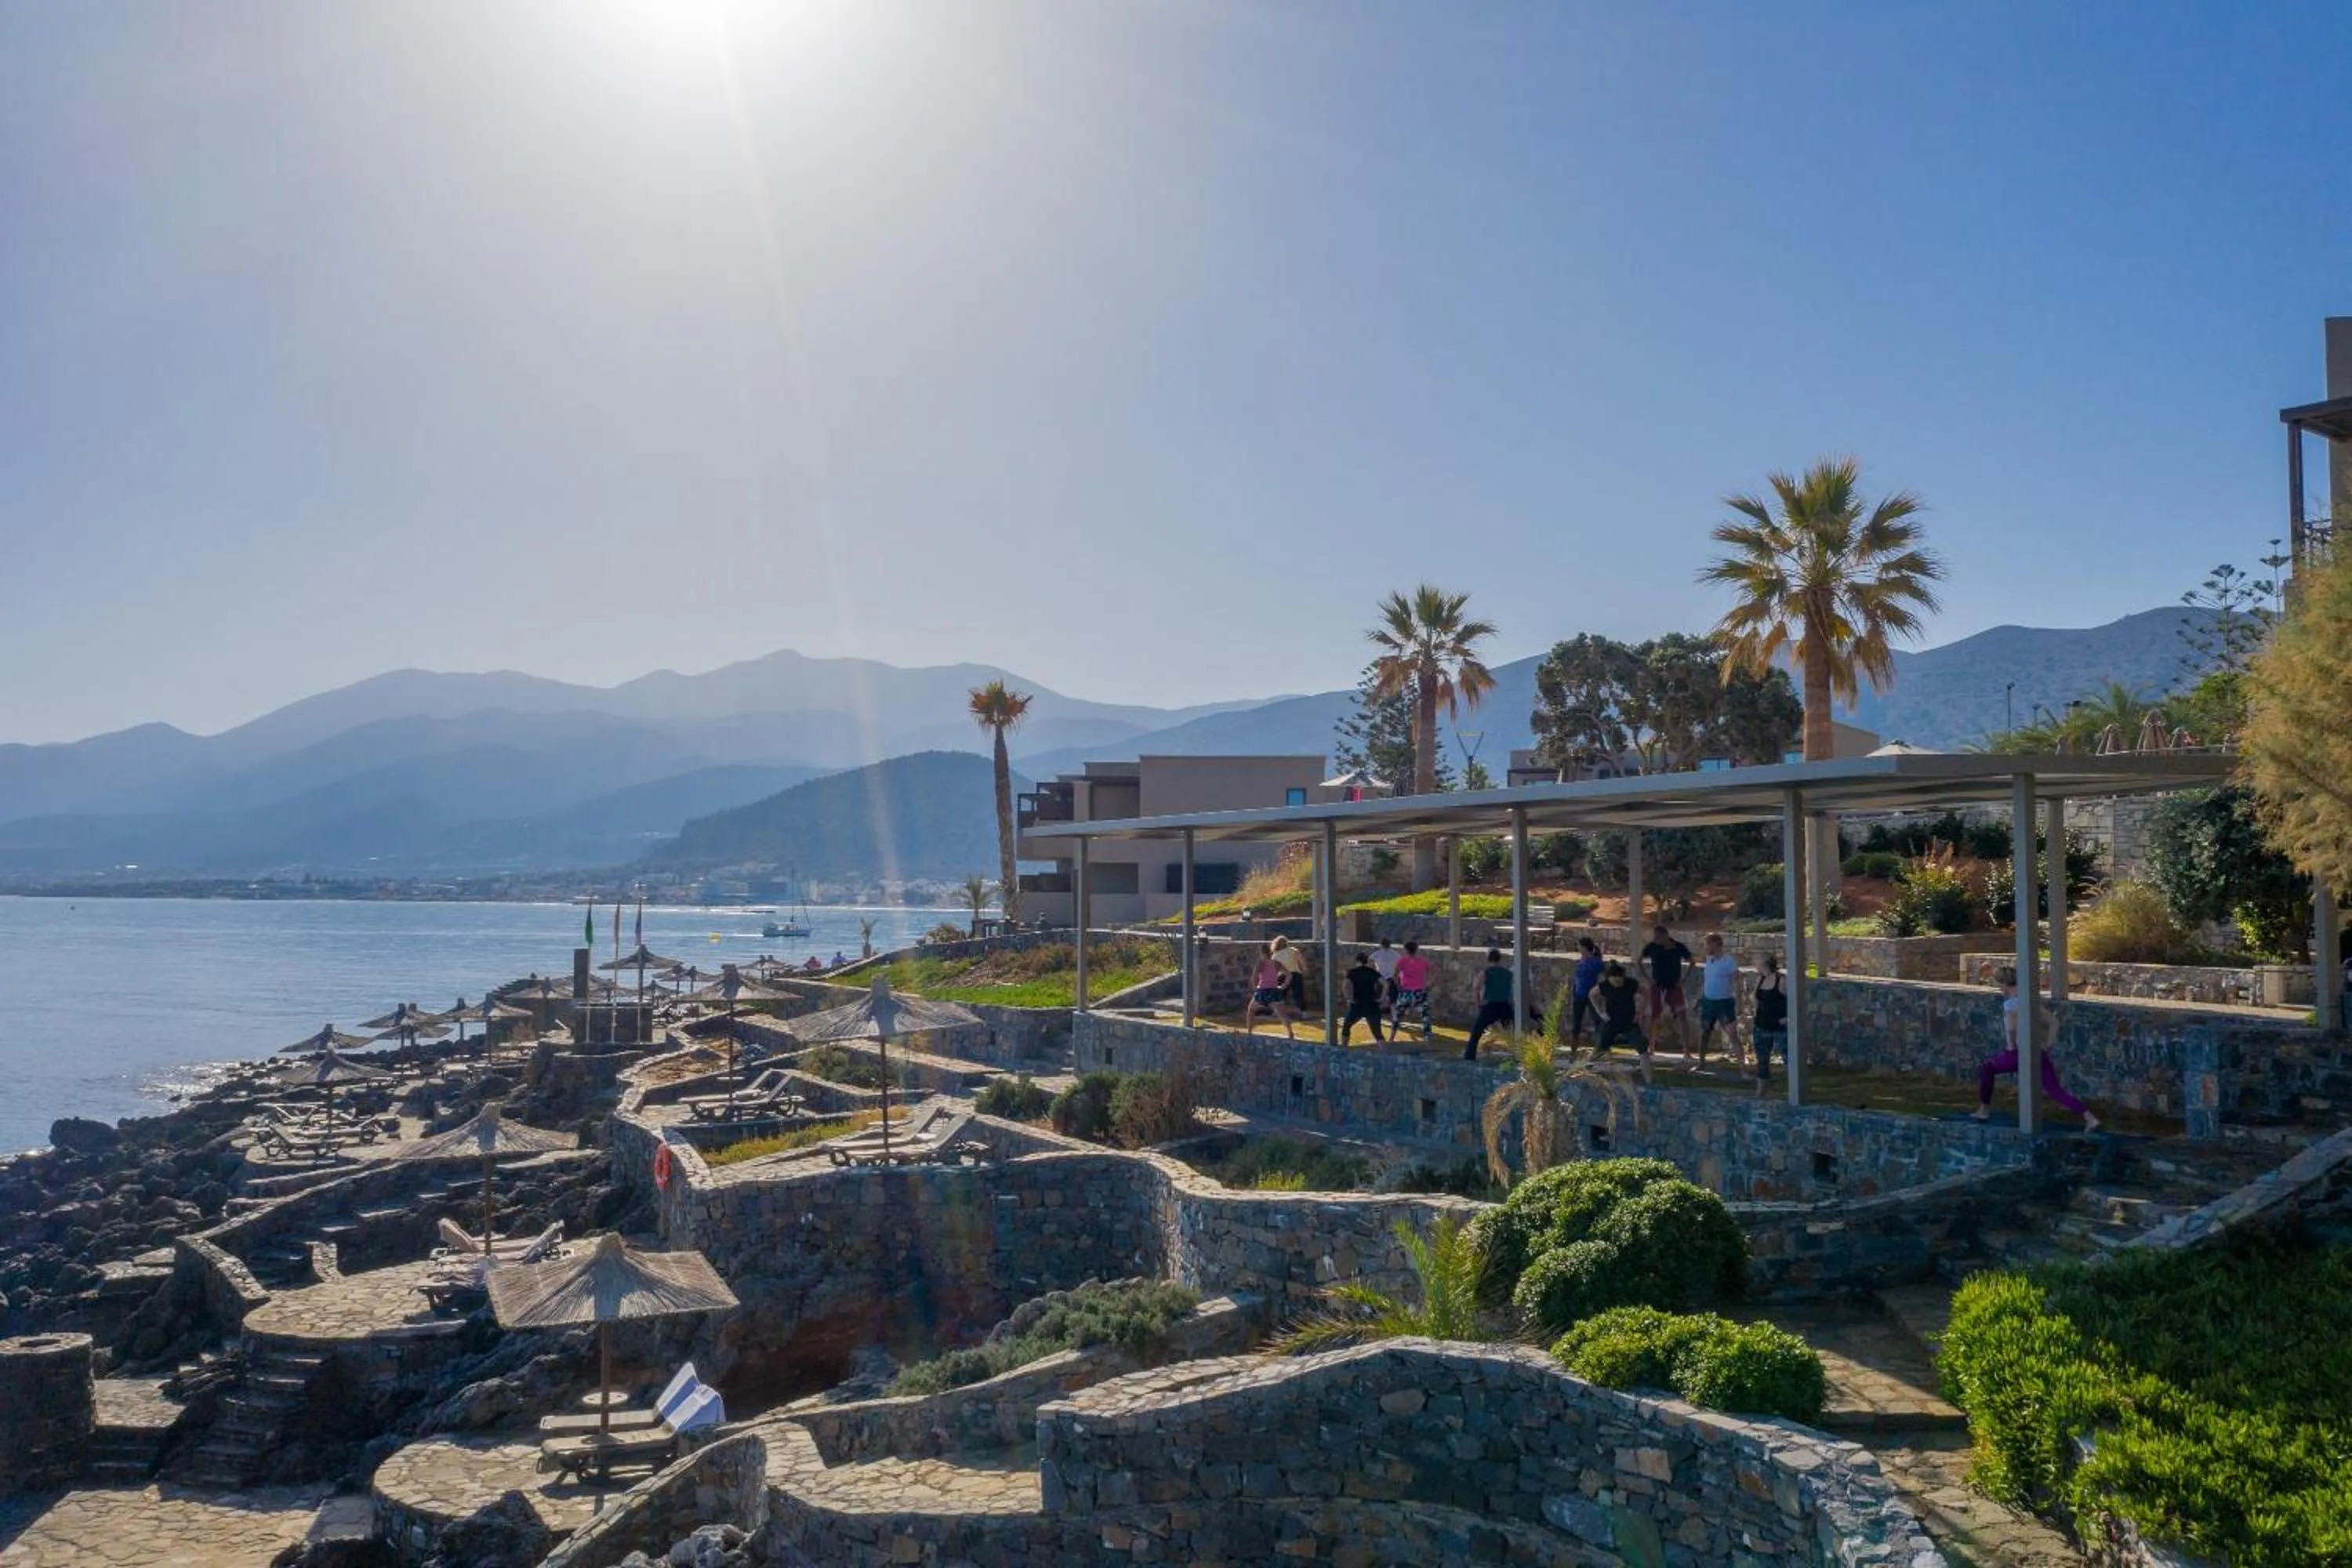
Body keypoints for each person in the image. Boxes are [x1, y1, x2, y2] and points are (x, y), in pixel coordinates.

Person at [1973, 967, 2100, 1131]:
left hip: (2019, 1053)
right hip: (2038, 1051)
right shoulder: (2030, 1002)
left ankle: (1984, 1110)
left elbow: (2011, 1027)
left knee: (1988, 1068)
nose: (1998, 989)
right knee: (2055, 1091)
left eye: (1999, 985)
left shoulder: (2010, 1005)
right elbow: (2054, 1022)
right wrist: (2048, 1043)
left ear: (2004, 984)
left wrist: (2011, 1046)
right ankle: (2090, 1118)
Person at [1639, 924, 1693, 1055]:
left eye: (1658, 936)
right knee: (1655, 1016)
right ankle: (1651, 1047)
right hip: (1657, 986)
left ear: (1665, 935)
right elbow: (1639, 961)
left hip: (1674, 986)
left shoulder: (1678, 947)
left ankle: (1686, 1050)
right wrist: (1648, 978)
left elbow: (1692, 961)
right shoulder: (1652, 947)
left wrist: (1684, 979)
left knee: (1682, 1016)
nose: (1656, 939)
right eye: (1655, 937)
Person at [1594, 960, 1650, 1082]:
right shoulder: (1604, 986)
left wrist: (1641, 1012)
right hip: (1611, 1022)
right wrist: (1600, 1012)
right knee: (1600, 1050)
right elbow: (1591, 995)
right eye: (1615, 981)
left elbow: (1646, 993)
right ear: (1609, 979)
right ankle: (1604, 1078)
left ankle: (1649, 1080)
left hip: (1629, 1023)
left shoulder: (1631, 984)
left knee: (1644, 1052)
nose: (1618, 984)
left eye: (1620, 981)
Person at [1694, 935, 1739, 1065]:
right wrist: (1699, 998)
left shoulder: (1728, 960)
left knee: (1732, 1035)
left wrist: (1739, 1002)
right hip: (1709, 1002)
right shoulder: (1709, 960)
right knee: (1704, 1033)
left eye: (1707, 945)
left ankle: (1743, 1068)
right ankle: (1701, 1062)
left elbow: (1737, 981)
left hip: (1724, 1003)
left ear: (1715, 945)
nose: (1705, 948)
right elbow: (1707, 981)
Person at [1243, 940, 1297, 1040]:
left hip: (1262, 990)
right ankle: (1290, 1033)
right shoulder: (1277, 963)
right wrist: (1284, 986)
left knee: (1251, 1011)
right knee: (1282, 1014)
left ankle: (1249, 1032)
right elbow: (1289, 975)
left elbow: (1254, 977)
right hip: (1274, 990)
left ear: (1262, 953)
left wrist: (1255, 988)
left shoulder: (1261, 963)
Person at [1466, 948, 1513, 1059]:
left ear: (1488, 959)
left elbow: (1476, 988)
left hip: (1490, 1005)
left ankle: (1470, 1055)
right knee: (1513, 1031)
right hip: (1505, 1005)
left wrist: (1478, 1003)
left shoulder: (1486, 972)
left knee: (1476, 1031)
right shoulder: (1508, 973)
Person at [1751, 953, 1787, 1098]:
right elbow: (1755, 998)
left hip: (1778, 1027)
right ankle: (1761, 1092)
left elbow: (1793, 1000)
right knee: (1762, 1061)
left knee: (1788, 1060)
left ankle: (1793, 1091)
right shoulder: (1760, 979)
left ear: (1765, 962)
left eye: (1756, 960)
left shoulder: (1781, 980)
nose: (1754, 962)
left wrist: (1788, 1018)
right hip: (1761, 1025)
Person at [1391, 939, 1433, 1040]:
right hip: (1419, 992)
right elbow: (1434, 972)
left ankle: (1392, 1037)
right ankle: (1427, 1038)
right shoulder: (1423, 961)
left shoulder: (1402, 961)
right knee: (1425, 1015)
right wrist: (1428, 985)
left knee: (1398, 1015)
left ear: (1406, 950)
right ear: (1416, 950)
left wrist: (1398, 986)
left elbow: (1394, 975)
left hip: (1405, 991)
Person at [1340, 952, 1386, 1044]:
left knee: (1346, 1026)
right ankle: (1385, 1053)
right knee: (1377, 1033)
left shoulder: (1352, 972)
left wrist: (1348, 998)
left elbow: (1345, 985)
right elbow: (1386, 984)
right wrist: (1382, 998)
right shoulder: (1372, 972)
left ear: (1357, 961)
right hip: (1371, 1003)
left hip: (1357, 1003)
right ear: (1366, 961)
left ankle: (1344, 1048)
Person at [1568, 936, 1604, 1042]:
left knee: (1597, 1019)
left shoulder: (1595, 962)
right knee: (1576, 1022)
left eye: (1579, 946)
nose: (1577, 947)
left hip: (1590, 995)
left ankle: (1602, 1045)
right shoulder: (1581, 961)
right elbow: (1578, 978)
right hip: (1579, 994)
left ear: (1584, 947)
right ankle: (1573, 1048)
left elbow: (1604, 975)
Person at [1272, 934, 1308, 1011]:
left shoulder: (1275, 955)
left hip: (1283, 975)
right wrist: (1305, 970)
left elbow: (1274, 970)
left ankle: (1278, 1011)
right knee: (1299, 994)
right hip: (1296, 974)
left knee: (1280, 994)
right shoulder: (1294, 950)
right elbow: (1302, 961)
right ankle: (1303, 1013)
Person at [1370, 938, 1402, 1014]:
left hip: (1381, 978)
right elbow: (1400, 964)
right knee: (1393, 997)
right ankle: (1394, 1013)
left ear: (1381, 945)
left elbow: (1369, 960)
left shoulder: (1377, 954)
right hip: (1392, 977)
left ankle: (1376, 1011)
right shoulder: (1395, 954)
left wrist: (1373, 968)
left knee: (1379, 995)